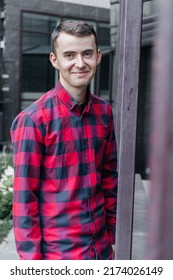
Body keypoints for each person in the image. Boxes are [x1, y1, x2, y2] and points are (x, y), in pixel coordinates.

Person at [10, 20, 118, 260]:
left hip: (100, 252)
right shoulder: (33, 120)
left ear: (98, 56)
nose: (80, 63)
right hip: (58, 256)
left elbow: (110, 180)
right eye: (70, 55)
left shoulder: (104, 112)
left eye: (87, 53)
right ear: (54, 60)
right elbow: (25, 201)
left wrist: (112, 240)